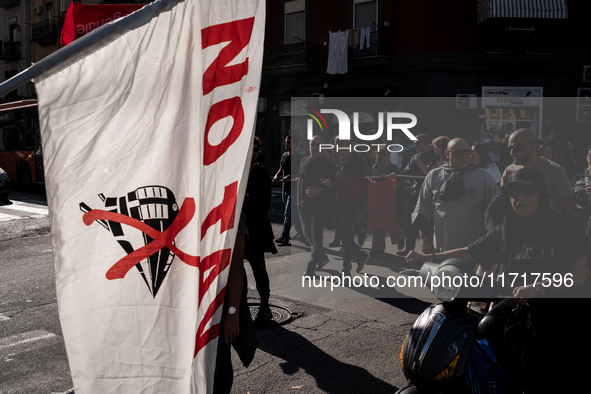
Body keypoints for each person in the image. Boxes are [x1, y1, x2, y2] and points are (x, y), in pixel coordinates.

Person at [407, 167, 589, 393]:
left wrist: (538, 288)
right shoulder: (507, 229)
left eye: (526, 191)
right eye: (514, 193)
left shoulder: (563, 226)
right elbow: (470, 252)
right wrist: (428, 257)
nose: (519, 197)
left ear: (540, 194)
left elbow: (579, 276)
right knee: (473, 325)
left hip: (554, 312)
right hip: (515, 306)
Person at [413, 138, 497, 253]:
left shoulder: (484, 177)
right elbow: (422, 210)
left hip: (474, 249)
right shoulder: (434, 176)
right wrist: (423, 239)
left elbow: (494, 213)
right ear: (447, 154)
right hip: (442, 248)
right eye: (458, 153)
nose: (464, 156)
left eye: (467, 152)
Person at [213, 212, 258, 394]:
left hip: (220, 306)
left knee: (219, 370)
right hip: (191, 307)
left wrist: (232, 313)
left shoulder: (231, 210)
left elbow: (236, 266)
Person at [323, 137, 370, 275]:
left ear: (345, 145)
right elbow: (340, 181)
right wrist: (331, 184)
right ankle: (360, 255)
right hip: (342, 201)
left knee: (346, 236)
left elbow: (360, 183)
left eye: (337, 145)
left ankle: (346, 269)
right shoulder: (341, 160)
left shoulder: (358, 160)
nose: (335, 148)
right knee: (343, 235)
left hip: (353, 202)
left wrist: (343, 179)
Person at [242, 137, 277, 325]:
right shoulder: (236, 171)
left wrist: (245, 206)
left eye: (257, 149)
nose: (254, 152)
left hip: (255, 231)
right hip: (237, 231)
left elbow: (263, 205)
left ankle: (265, 307)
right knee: (236, 271)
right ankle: (238, 307)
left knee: (259, 269)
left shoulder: (261, 173)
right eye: (251, 148)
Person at [502, 128, 574, 215]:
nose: (512, 153)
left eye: (517, 148)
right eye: (509, 149)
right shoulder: (509, 171)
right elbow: (503, 204)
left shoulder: (555, 171)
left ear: (532, 146)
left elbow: (569, 211)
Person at [298, 135, 337, 276]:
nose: (315, 147)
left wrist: (319, 190)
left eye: (318, 144)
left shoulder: (329, 164)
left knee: (316, 236)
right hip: (303, 205)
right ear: (309, 146)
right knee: (307, 234)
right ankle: (323, 257)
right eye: (312, 144)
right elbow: (300, 180)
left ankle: (311, 266)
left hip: (319, 207)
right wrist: (298, 200)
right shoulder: (304, 160)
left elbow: (335, 186)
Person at [397, 134, 439, 256]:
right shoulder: (416, 156)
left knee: (429, 223)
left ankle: (431, 250)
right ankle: (409, 248)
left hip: (429, 194)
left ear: (424, 143)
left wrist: (419, 163)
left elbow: (428, 172)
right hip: (415, 193)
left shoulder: (433, 156)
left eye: (416, 143)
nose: (415, 146)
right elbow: (407, 171)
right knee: (412, 221)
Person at [272, 135, 304, 246]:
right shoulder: (284, 155)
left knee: (288, 213)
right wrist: (277, 175)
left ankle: (284, 236)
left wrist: (290, 176)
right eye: (286, 142)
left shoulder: (299, 158)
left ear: (295, 144)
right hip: (284, 188)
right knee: (293, 213)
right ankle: (302, 233)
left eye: (289, 142)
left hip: (295, 189)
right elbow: (281, 168)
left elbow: (301, 174)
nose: (287, 144)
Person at [369, 148, 400, 255]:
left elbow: (399, 181)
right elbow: (372, 178)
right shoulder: (376, 167)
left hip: (390, 197)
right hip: (378, 197)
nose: (387, 155)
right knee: (378, 219)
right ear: (380, 156)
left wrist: (394, 176)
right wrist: (375, 174)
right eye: (384, 154)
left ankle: (399, 237)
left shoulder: (393, 167)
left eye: (388, 153)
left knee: (389, 218)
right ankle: (378, 247)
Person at [571, 145, 591, 241]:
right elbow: (570, 195)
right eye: (590, 155)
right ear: (586, 157)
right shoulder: (578, 175)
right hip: (578, 222)